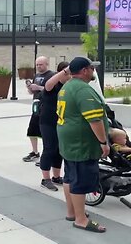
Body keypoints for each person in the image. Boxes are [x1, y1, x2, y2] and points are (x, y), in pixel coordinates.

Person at [57, 56, 108, 233]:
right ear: (85, 71)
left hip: (68, 141)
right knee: (80, 179)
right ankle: (80, 219)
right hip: (81, 143)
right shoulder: (82, 90)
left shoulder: (66, 87)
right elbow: (95, 120)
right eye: (91, 68)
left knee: (70, 177)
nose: (93, 71)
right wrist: (103, 142)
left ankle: (72, 212)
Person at [38, 61, 71, 191]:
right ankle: (45, 178)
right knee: (49, 148)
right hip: (47, 121)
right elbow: (47, 85)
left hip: (61, 121)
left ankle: (56, 176)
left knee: (59, 150)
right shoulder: (53, 84)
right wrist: (65, 71)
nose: (69, 76)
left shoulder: (68, 87)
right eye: (67, 74)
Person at [22, 56, 53, 163]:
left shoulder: (51, 75)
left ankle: (46, 154)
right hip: (36, 105)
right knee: (32, 130)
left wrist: (39, 87)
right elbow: (32, 92)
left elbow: (51, 90)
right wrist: (30, 88)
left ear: (47, 64)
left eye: (41, 64)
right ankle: (35, 152)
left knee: (45, 132)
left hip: (46, 106)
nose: (39, 66)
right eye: (37, 65)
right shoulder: (37, 76)